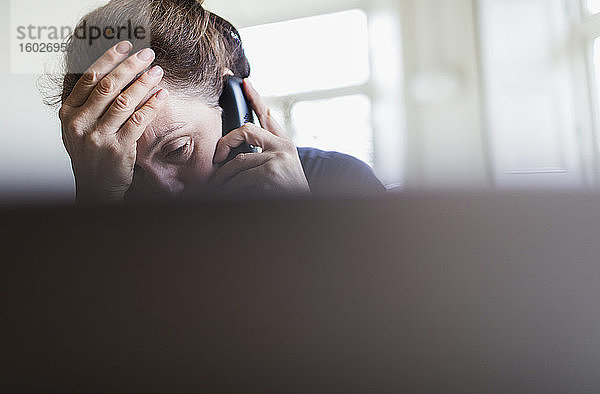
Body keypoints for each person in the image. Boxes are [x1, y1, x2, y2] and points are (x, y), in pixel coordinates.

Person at [55, 0, 385, 203]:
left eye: (176, 150)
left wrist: (298, 218)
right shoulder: (103, 202)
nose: (162, 193)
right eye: (131, 171)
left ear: (234, 106)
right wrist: (96, 203)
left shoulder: (340, 183)